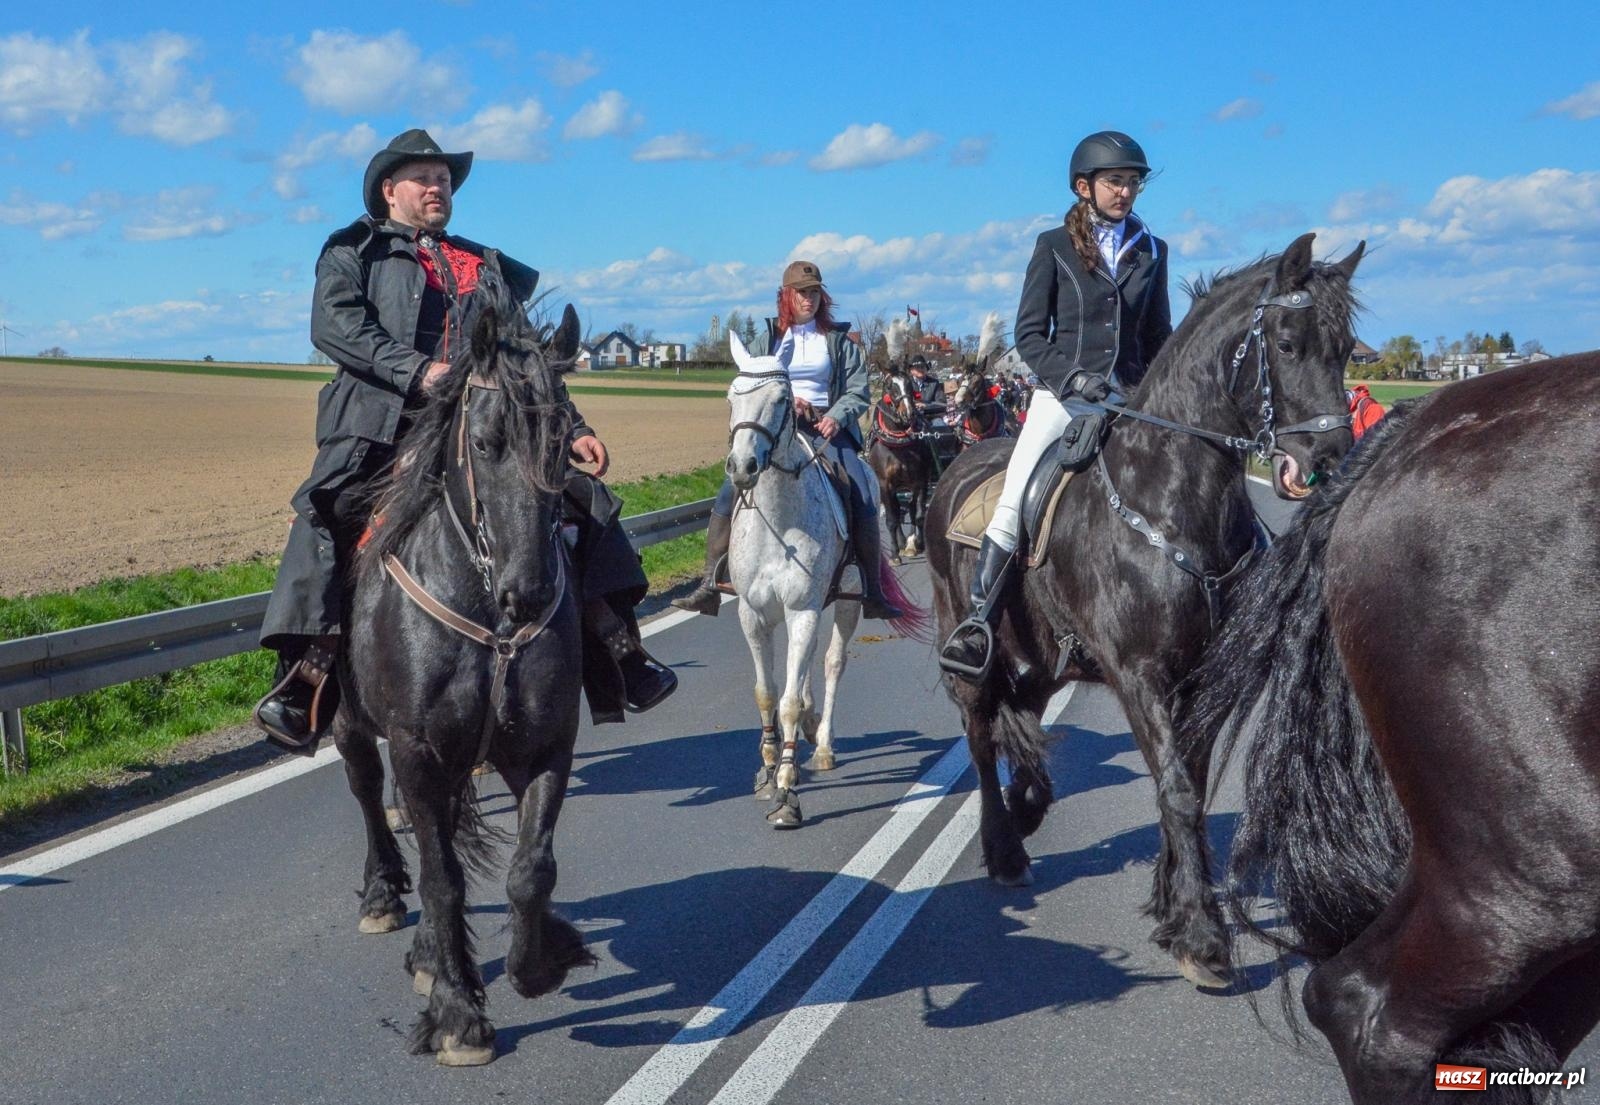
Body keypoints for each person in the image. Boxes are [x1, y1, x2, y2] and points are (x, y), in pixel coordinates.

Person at [254, 128, 676, 754]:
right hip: (384, 427)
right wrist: (417, 371)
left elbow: (525, 358)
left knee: (578, 501)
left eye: (445, 180)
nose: (438, 188)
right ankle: (309, 676)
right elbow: (336, 327)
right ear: (388, 191)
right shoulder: (354, 253)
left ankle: (617, 647)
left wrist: (575, 426)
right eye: (424, 179)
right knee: (329, 514)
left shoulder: (485, 265)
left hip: (484, 424)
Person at [939, 130, 1172, 678]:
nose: (1126, 191)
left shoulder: (1153, 250)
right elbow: (1028, 334)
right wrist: (1074, 381)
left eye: (1133, 182)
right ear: (1083, 186)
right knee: (1015, 497)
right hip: (1063, 399)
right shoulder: (1053, 246)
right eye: (1115, 181)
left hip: (1132, 398)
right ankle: (978, 623)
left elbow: (1160, 334)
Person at [672, 261, 903, 620]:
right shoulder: (768, 340)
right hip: (778, 428)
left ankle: (872, 589)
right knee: (727, 489)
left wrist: (835, 416)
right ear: (786, 296)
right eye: (801, 293)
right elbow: (750, 383)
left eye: (813, 292)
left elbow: (859, 390)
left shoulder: (838, 341)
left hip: (827, 430)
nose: (808, 299)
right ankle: (709, 584)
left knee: (860, 489)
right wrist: (786, 399)